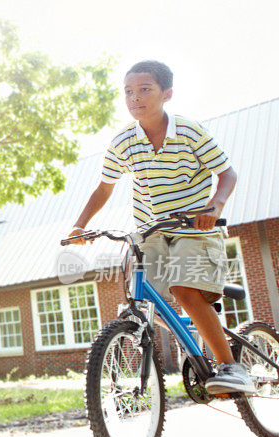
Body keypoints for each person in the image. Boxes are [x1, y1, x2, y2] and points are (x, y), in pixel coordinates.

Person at [66, 60, 255, 395]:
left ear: (166, 93)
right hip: (151, 229)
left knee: (184, 290)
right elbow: (105, 186)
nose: (134, 98)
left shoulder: (189, 131)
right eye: (128, 92)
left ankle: (231, 366)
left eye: (144, 90)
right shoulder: (124, 141)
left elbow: (228, 174)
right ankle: (193, 340)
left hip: (194, 226)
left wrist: (215, 206)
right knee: (144, 298)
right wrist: (80, 225)